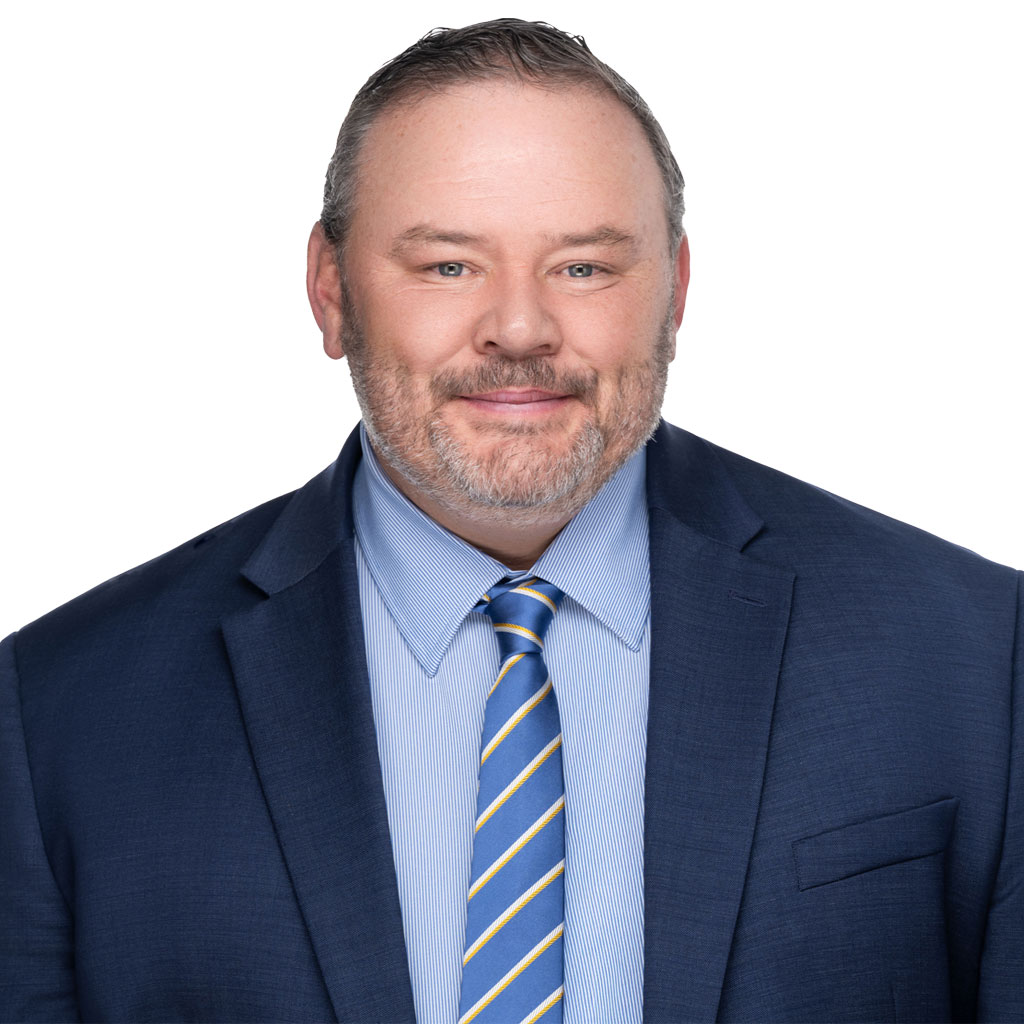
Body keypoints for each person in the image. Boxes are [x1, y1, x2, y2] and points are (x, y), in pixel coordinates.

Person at [1, 17, 1020, 1024]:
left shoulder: (976, 657)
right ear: (331, 291)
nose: (521, 329)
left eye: (584, 266)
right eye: (448, 265)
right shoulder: (57, 716)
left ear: (675, 292)